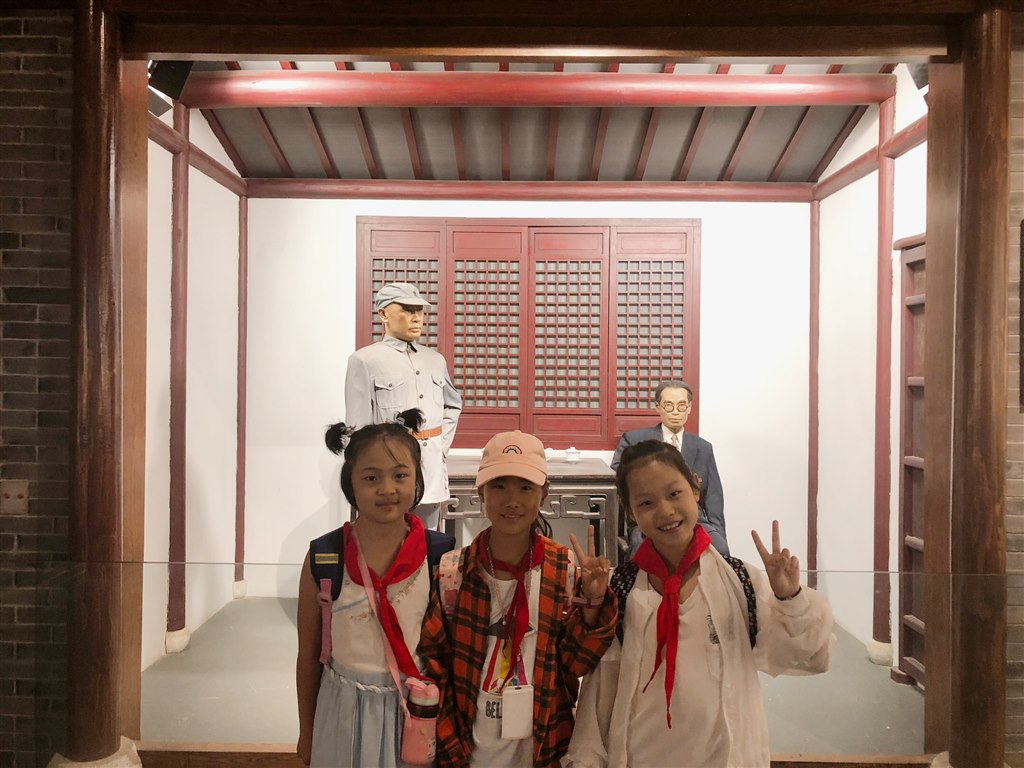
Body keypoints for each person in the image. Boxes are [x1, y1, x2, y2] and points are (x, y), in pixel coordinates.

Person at [564, 440, 832, 767]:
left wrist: (789, 598)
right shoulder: (622, 589)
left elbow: (805, 657)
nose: (665, 511)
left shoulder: (741, 580)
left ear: (695, 489)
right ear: (631, 512)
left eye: (674, 493)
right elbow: (601, 690)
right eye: (646, 502)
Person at [418, 430, 618, 768]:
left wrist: (594, 602)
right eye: (499, 486)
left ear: (544, 494)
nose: (512, 500)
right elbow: (436, 664)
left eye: (525, 487)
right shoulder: (454, 571)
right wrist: (447, 739)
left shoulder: (562, 569)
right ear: (480, 492)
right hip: (469, 748)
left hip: (543, 745)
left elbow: (575, 664)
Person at [295, 409, 455, 767]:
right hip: (342, 712)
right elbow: (308, 655)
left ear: (417, 479)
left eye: (400, 475)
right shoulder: (326, 556)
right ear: (350, 484)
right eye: (371, 477)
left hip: (415, 713)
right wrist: (307, 732)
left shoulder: (440, 555)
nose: (387, 489)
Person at [345, 281, 462, 528]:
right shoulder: (365, 361)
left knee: (427, 539)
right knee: (386, 539)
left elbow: (452, 405)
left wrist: (440, 446)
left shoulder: (435, 360)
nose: (416, 318)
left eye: (419, 311)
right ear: (384, 314)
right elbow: (358, 428)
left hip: (430, 470)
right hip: (389, 472)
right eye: (407, 310)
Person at [610, 379, 728, 556]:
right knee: (639, 551)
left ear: (689, 407)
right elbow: (619, 483)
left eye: (681, 406)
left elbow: (713, 496)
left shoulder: (703, 447)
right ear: (658, 407)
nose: (675, 412)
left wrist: (719, 534)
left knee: (720, 548)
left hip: (694, 519)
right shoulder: (634, 440)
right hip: (649, 518)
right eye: (668, 405)